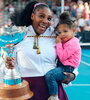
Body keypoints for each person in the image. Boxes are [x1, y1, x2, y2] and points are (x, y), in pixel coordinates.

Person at [0, 1, 77, 100]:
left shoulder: (56, 36)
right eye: (41, 16)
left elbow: (71, 56)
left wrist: (73, 74)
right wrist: (8, 66)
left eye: (49, 18)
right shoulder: (18, 36)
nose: (45, 21)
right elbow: (4, 66)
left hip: (53, 92)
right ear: (32, 16)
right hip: (26, 92)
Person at [45, 12, 81, 100]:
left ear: (73, 30)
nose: (62, 34)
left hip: (67, 68)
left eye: (65, 31)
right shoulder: (67, 41)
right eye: (60, 32)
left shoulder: (73, 43)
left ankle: (54, 96)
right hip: (63, 66)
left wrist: (58, 44)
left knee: (50, 75)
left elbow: (62, 57)